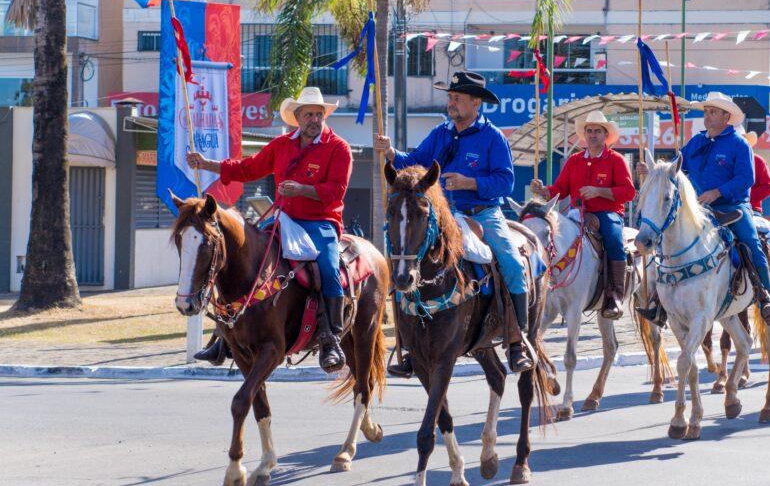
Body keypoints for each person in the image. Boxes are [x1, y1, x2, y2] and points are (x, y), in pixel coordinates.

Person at [375, 71, 533, 376]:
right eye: (450, 97)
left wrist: (469, 182)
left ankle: (517, 341)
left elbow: (506, 182)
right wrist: (392, 152)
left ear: (476, 103)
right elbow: (416, 162)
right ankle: (410, 348)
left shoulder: (493, 137)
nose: (451, 103)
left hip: (483, 213)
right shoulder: (440, 133)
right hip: (442, 215)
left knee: (513, 264)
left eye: (457, 98)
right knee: (409, 261)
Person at [186, 87, 352, 372]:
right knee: (239, 254)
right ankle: (223, 335)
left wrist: (302, 189)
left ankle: (331, 339)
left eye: (319, 114)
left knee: (328, 267)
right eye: (309, 114)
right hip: (283, 219)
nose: (315, 119)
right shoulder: (281, 145)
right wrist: (206, 164)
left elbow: (336, 191)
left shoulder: (339, 148)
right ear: (297, 117)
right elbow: (247, 169)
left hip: (320, 222)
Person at [636, 91, 770, 325]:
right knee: (666, 243)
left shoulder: (739, 144)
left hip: (733, 207)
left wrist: (718, 192)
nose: (707, 116)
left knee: (751, 243)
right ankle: (659, 302)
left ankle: (765, 295)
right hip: (698, 207)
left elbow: (746, 178)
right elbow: (675, 169)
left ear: (726, 116)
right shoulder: (696, 142)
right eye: (706, 111)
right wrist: (653, 172)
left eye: (713, 112)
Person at [530, 110, 636, 319]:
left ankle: (615, 295)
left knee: (614, 240)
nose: (593, 135)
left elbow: (629, 192)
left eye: (597, 131)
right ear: (585, 134)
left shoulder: (616, 160)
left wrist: (599, 192)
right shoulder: (574, 160)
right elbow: (560, 190)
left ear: (606, 135)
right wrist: (543, 191)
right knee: (550, 239)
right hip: (576, 214)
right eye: (589, 131)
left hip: (607, 213)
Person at [746, 131, 770, 214]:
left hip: (752, 209)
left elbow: (768, 188)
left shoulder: (758, 161)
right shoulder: (725, 160)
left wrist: (746, 197)